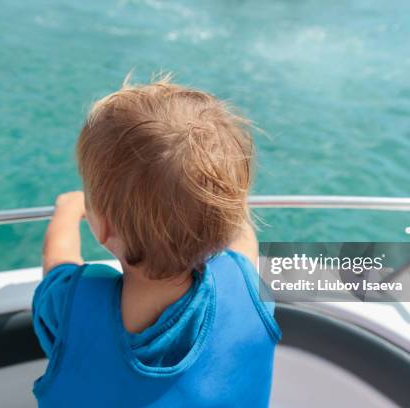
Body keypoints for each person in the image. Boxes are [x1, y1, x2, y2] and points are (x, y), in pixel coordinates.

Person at [33, 75, 281, 407]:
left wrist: (67, 208)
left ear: (104, 227)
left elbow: (57, 261)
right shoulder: (247, 285)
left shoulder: (69, 304)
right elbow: (243, 239)